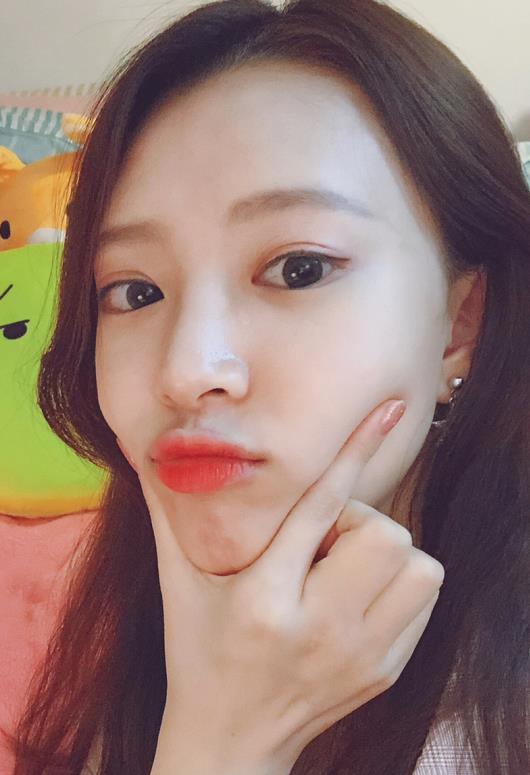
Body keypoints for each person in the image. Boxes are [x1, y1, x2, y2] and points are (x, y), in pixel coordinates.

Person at [6, 1, 530, 773]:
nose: (186, 371)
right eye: (135, 290)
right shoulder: (110, 619)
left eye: (298, 269)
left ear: (459, 324)